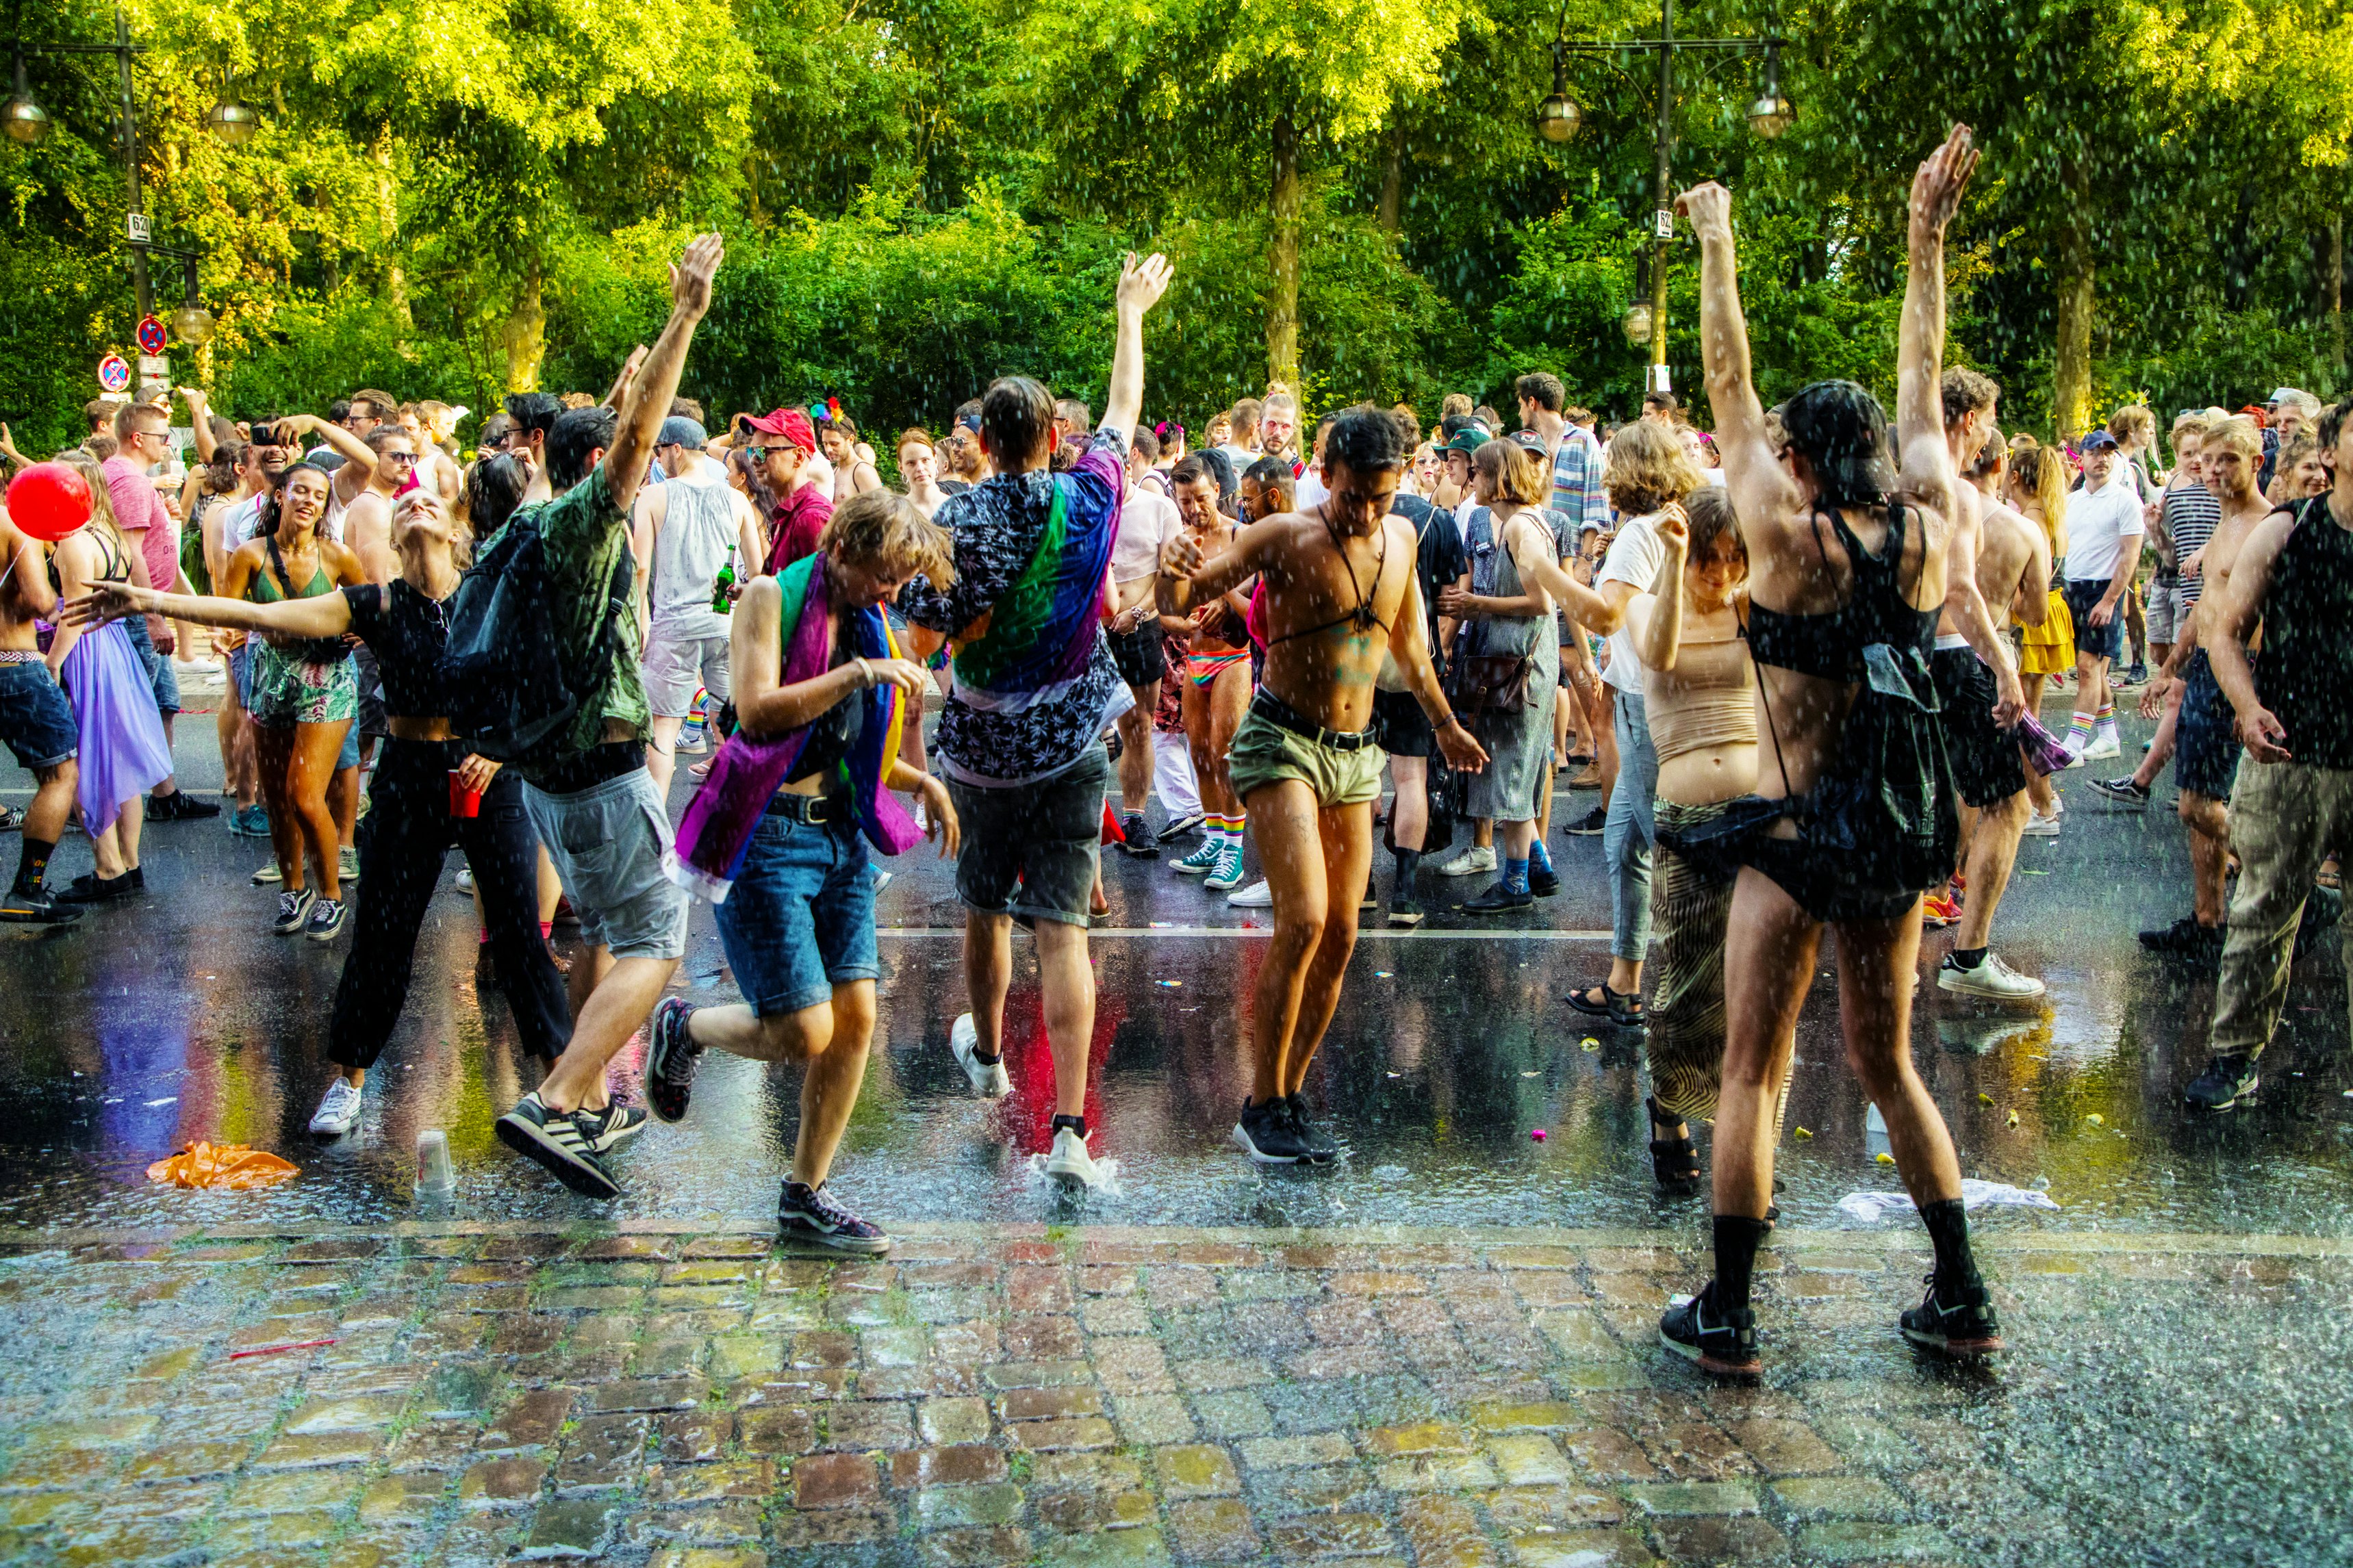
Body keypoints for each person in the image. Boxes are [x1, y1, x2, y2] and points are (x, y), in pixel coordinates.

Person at [1659, 129, 2000, 1376]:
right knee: (1886, 1059)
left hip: (1796, 836)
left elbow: (1725, 380)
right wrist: (1924, 238)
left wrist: (1715, 239)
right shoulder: (1926, 522)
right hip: (1895, 841)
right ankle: (1959, 1288)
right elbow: (1921, 377)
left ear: (1797, 458)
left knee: (1753, 1067)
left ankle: (1730, 1313)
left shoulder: (1780, 532)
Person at [67, 472, 576, 1138]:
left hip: (491, 777)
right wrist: (146, 599)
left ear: (457, 532)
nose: (415, 504)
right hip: (409, 778)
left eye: (429, 501)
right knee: (383, 937)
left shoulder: (496, 597)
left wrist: (505, 748)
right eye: (404, 505)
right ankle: (349, 1081)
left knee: (518, 938)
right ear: (393, 539)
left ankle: (565, 1089)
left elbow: (554, 685)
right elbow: (257, 615)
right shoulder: (372, 605)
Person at [898, 253, 1174, 1192]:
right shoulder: (1090, 493)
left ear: (982, 438)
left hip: (978, 750)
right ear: (1054, 434)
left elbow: (920, 624)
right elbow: (1126, 412)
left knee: (983, 908)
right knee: (1061, 930)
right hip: (1069, 748)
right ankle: (1067, 1132)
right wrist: (1128, 312)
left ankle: (988, 1060)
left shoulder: (957, 517)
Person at [1158, 405, 1488, 1163]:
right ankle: (1257, 1101)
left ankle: (1285, 1097)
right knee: (1301, 920)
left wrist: (1442, 723)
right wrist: (1175, 564)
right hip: (1280, 741)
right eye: (1352, 495)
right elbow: (1184, 604)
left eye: (1381, 495)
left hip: (1356, 750)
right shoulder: (1282, 536)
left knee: (1341, 935)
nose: (1366, 511)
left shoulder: (1403, 536)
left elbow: (1406, 638)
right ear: (1325, 475)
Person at [646, 491, 961, 1248]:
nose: (890, 594)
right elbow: (756, 711)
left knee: (855, 1019)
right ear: (843, 549)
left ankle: (804, 1196)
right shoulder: (769, 596)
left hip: (842, 836)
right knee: (802, 1028)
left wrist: (923, 783)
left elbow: (855, 748)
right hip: (767, 835)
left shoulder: (869, 617)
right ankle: (686, 1026)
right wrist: (859, 672)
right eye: (883, 576)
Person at [492, 233, 725, 1201]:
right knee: (659, 940)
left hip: (544, 779)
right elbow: (631, 445)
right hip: (600, 775)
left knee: (608, 925)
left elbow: (617, 432)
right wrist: (685, 316)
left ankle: (584, 1103)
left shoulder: (517, 519)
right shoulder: (590, 522)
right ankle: (557, 1095)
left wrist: (634, 375)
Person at [2174, 399, 2350, 1108]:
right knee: (2260, 915)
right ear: (2330, 453)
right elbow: (2223, 632)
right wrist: (2245, 709)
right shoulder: (2287, 531)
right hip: (2289, 759)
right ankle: (2233, 1057)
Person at [1625, 487, 1791, 1192]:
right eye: (1707, 559)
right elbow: (1657, 654)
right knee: (1681, 989)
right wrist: (1669, 563)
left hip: (1759, 821)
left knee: (1764, 991)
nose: (1719, 573)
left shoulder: (1753, 606)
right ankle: (1667, 1112)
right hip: (1688, 822)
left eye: (1733, 558)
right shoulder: (1648, 599)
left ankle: (1751, 1148)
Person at [1562, 419, 1705, 1022]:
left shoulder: (1638, 535)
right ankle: (1626, 981)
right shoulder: (1674, 519)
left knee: (1668, 849)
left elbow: (1605, 614)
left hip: (1650, 706)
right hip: (1652, 699)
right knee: (1625, 843)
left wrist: (1547, 576)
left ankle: (1692, 991)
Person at [2133, 415, 2269, 963]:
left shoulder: (2266, 525)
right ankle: (2207, 920)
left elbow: (2265, 622)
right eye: (2208, 460)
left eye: (2228, 460)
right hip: (2209, 672)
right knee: (2196, 801)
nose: (2213, 470)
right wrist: (2170, 670)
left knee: (2198, 805)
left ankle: (2292, 882)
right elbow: (2204, 610)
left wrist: (2250, 697)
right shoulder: (2224, 521)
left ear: (2256, 464)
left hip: (2240, 676)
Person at [1927, 374, 2046, 1000]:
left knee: (1932, 799)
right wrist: (2003, 667)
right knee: (2008, 803)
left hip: (1901, 659)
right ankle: (1970, 958)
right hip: (1954, 656)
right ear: (1971, 419)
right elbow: (1960, 591)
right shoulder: (1961, 495)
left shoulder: (1895, 481)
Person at [218, 459, 367, 938]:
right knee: (278, 797)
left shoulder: (338, 556)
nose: (308, 501)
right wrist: (230, 637)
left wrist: (352, 634)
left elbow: (367, 614)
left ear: (324, 506)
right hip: (271, 679)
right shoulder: (248, 555)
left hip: (326, 680)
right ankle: (293, 888)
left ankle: (331, 895)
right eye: (299, 491)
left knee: (305, 794)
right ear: (280, 495)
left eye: (318, 495)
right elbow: (228, 614)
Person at [1435, 440, 1576, 914]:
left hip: (1522, 669)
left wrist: (1477, 606)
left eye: (1475, 471)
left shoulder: (1519, 525)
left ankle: (1515, 883)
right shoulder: (1518, 521)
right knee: (1518, 766)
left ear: (1497, 477)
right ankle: (1538, 865)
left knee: (1513, 770)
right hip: (1517, 664)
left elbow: (1541, 602)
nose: (1469, 478)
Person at [41, 451, 175, 904]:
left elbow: (74, 617)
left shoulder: (74, 542)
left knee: (88, 761)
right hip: (115, 648)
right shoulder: (111, 535)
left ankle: (107, 867)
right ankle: (129, 864)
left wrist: (53, 664)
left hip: (87, 652)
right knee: (117, 763)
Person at [1369, 406, 1468, 925]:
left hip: (1362, 662)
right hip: (1415, 663)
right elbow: (1454, 596)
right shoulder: (1438, 520)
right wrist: (1442, 647)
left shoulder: (1362, 516)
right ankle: (1404, 895)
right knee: (1410, 777)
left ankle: (1362, 885)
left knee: (1360, 776)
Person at [635, 415, 766, 797]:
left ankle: (658, 834)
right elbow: (758, 573)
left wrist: (641, 621)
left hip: (674, 627)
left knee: (663, 727)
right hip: (725, 626)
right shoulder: (737, 499)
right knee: (729, 724)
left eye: (660, 451)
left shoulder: (654, 497)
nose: (657, 460)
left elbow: (641, 567)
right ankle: (736, 820)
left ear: (676, 450)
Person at [2094, 417, 2217, 808]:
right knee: (2179, 687)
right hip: (2186, 596)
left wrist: (2208, 554)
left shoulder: (2223, 492)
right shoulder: (2175, 492)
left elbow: (2238, 539)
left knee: (2180, 693)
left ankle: (2154, 783)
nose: (2197, 461)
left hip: (2213, 605)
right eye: (2188, 454)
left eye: (2203, 453)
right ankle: (2190, 787)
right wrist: (2156, 530)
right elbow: (2170, 556)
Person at [0, 506, 84, 924]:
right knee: (60, 774)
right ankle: (27, 891)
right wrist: (60, 607)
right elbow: (36, 599)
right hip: (13, 664)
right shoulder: (13, 523)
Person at [1108, 435, 1184, 851]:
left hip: (1141, 628)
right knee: (1081, 732)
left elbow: (1169, 576)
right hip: (1092, 633)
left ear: (1128, 464)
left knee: (1138, 727)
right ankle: (1080, 820)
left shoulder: (1158, 507)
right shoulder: (1087, 509)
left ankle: (1134, 821)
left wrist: (1136, 612)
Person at [2058, 428, 2142, 763]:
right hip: (2073, 588)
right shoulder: (2071, 500)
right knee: (2093, 671)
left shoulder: (2125, 499)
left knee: (2089, 667)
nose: (2102, 458)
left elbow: (2130, 553)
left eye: (2109, 452)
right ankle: (2108, 736)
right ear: (2082, 459)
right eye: (2095, 452)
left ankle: (2074, 744)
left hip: (2104, 588)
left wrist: (2110, 601)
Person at [2007, 439, 2072, 837]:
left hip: (2035, 618)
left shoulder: (2031, 520)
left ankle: (2043, 806)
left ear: (2016, 477)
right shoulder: (2049, 512)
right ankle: (2041, 798)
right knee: (2030, 714)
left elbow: (2033, 585)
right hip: (2050, 613)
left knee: (2023, 723)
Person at [744, 409, 832, 572]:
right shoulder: (789, 513)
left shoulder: (811, 519)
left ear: (798, 456)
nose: (753, 460)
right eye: (751, 451)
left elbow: (819, 595)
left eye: (763, 452)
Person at [821, 411, 882, 501]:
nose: (828, 449)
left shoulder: (863, 471)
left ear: (851, 439)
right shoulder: (835, 472)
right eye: (825, 444)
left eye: (834, 444)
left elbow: (882, 511)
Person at [898, 428, 954, 519]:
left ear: (935, 461)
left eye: (925, 460)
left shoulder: (954, 507)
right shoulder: (898, 513)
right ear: (901, 468)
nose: (920, 468)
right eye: (911, 463)